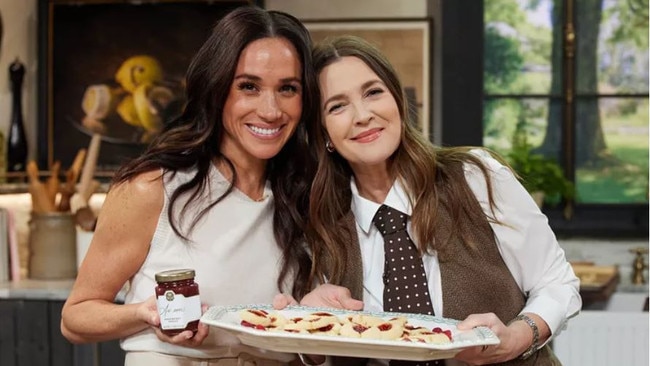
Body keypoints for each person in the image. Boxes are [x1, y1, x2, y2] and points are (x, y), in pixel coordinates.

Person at [60, 6, 319, 365]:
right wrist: (144, 314)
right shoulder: (152, 188)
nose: (271, 110)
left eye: (287, 88)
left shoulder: (306, 196)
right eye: (248, 86)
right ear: (216, 89)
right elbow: (76, 318)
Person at [302, 35, 581, 365]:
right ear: (324, 134)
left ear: (398, 101)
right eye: (337, 106)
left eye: (373, 92)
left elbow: (557, 282)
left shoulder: (476, 178)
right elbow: (318, 349)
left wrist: (516, 338)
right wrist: (306, 327)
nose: (362, 115)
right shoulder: (321, 224)